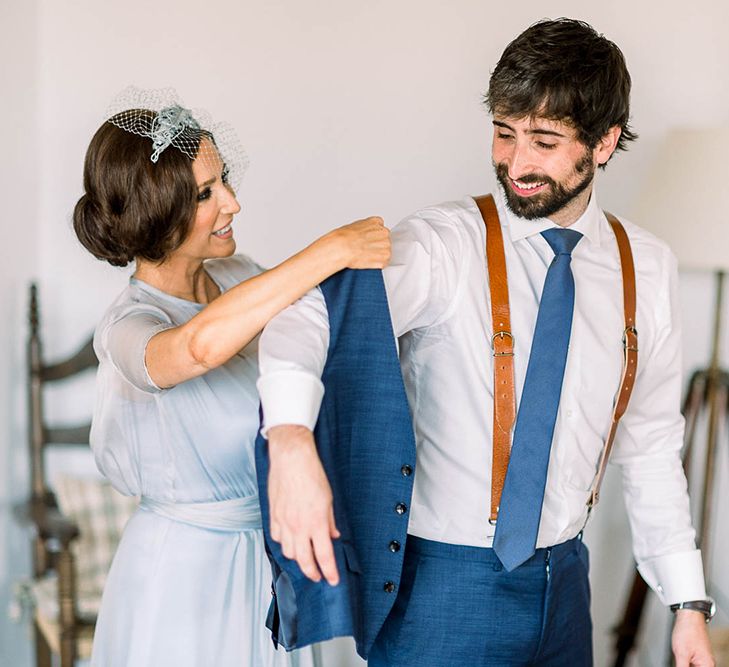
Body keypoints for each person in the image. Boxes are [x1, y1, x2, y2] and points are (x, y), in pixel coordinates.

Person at [256, 19, 715, 667]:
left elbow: (650, 448)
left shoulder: (647, 267)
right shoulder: (442, 244)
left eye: (544, 140)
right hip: (440, 590)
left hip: (565, 589)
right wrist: (290, 440)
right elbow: (305, 315)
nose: (516, 161)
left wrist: (687, 604)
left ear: (604, 142)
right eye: (504, 132)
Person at [72, 87, 390, 667]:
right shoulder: (127, 326)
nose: (233, 204)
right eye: (205, 194)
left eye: (225, 181)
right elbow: (195, 348)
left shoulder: (241, 274)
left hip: (274, 557)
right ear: (156, 211)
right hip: (185, 578)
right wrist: (331, 249)